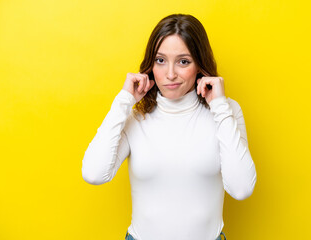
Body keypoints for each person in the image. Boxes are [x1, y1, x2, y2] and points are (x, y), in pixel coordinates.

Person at [82, 13, 257, 240]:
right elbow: (94, 173)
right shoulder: (136, 115)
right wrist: (124, 100)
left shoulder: (226, 111)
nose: (170, 74)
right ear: (150, 65)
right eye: (160, 60)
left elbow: (241, 188)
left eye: (183, 61)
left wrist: (220, 107)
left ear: (199, 66)